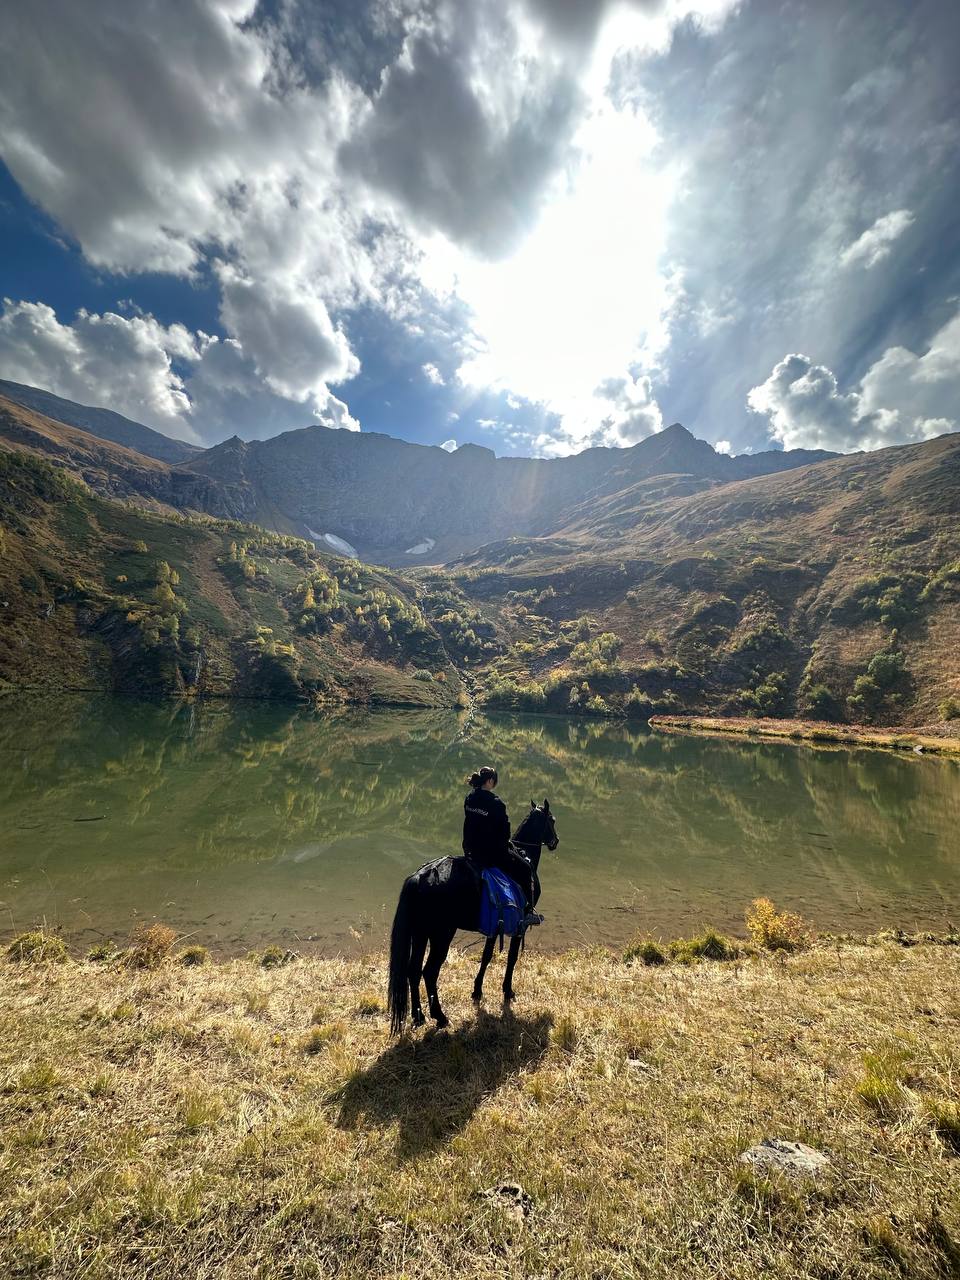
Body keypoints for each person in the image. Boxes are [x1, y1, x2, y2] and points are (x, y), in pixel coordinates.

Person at [462, 765, 542, 927]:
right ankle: (526, 914)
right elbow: (504, 834)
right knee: (526, 869)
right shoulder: (496, 803)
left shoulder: (470, 798)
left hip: (470, 850)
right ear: (490, 781)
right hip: (491, 854)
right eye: (494, 781)